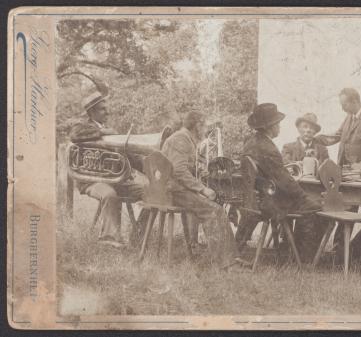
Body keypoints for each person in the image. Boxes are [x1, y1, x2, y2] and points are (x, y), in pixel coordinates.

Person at [235, 103, 324, 263]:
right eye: (278, 123)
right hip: (271, 203)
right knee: (317, 207)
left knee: (309, 204)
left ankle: (290, 250)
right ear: (270, 127)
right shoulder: (268, 147)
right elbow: (284, 180)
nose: (279, 127)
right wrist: (303, 197)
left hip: (256, 199)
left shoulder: (251, 142)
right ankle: (302, 257)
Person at [161, 110, 246, 270]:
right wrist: (202, 189)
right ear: (197, 125)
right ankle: (227, 263)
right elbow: (178, 171)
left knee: (216, 207)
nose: (206, 130)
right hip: (173, 191)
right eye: (205, 125)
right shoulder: (180, 139)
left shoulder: (184, 138)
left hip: (174, 189)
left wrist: (199, 172)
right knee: (215, 211)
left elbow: (182, 167)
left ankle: (230, 258)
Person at [316, 88, 361, 266]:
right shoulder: (349, 117)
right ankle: (339, 254)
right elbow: (336, 137)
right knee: (343, 212)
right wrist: (318, 138)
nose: (342, 108)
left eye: (343, 104)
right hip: (346, 176)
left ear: (354, 101)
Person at [69, 91, 145, 247]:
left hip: (113, 180)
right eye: (103, 109)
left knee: (150, 192)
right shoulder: (82, 126)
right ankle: (109, 238)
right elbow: (74, 135)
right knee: (110, 194)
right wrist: (101, 132)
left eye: (106, 108)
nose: (107, 112)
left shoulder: (111, 131)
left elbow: (130, 156)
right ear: (91, 112)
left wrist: (151, 166)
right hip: (90, 181)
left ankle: (138, 235)